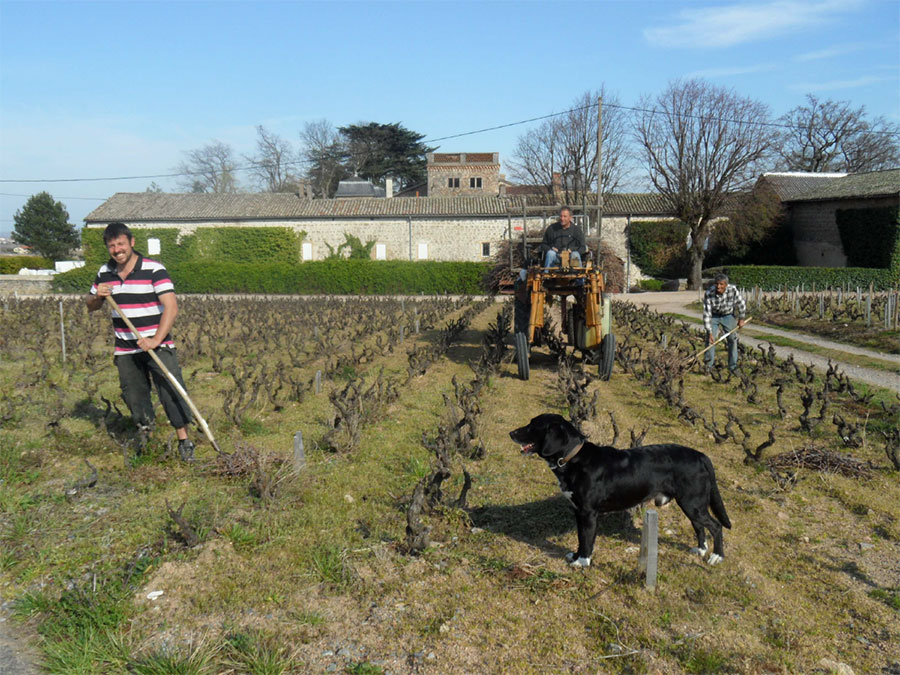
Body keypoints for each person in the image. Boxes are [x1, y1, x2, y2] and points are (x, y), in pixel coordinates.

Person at [85, 222, 195, 460]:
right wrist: (97, 296)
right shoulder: (105, 273)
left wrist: (155, 339)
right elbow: (91, 305)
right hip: (125, 348)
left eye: (121, 244)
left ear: (132, 243)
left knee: (170, 389)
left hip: (158, 344)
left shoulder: (154, 269)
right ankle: (147, 439)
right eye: (112, 246)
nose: (117, 250)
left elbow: (171, 307)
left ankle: (184, 441)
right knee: (134, 394)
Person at [702, 272, 747, 373]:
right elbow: (707, 314)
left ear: (726, 285)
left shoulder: (733, 290)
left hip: (728, 315)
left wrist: (741, 318)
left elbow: (741, 304)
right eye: (717, 284)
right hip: (713, 316)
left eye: (721, 284)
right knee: (710, 341)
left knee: (732, 339)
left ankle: (733, 366)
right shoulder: (709, 293)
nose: (718, 287)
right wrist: (709, 332)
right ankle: (708, 366)